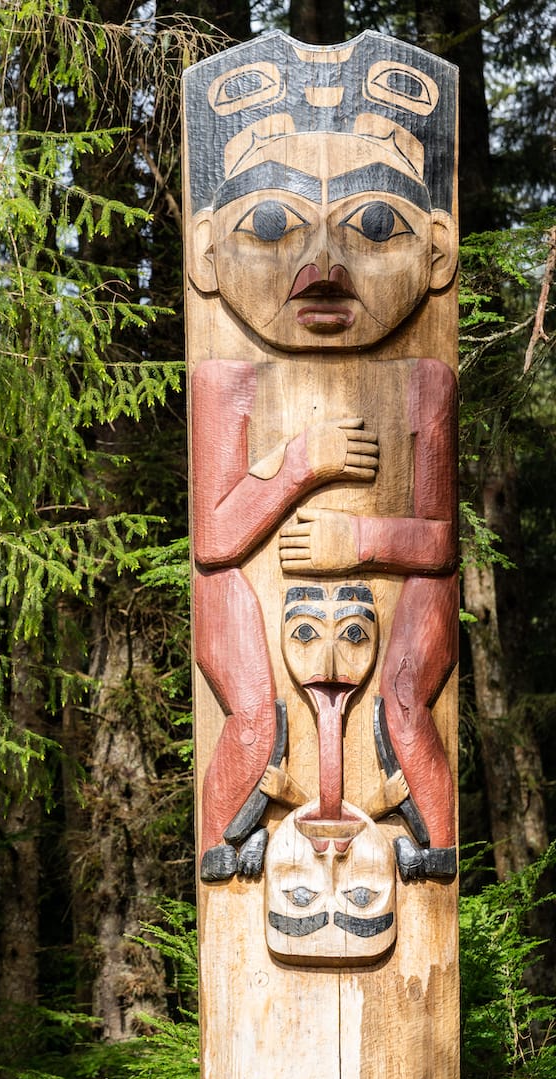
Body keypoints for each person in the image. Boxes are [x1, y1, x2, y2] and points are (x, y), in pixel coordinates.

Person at [189, 116, 458, 883]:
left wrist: (358, 540)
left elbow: (438, 542)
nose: (322, 267)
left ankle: (433, 850)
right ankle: (222, 844)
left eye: (375, 225)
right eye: (272, 224)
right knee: (252, 718)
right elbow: (212, 537)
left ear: (437, 250)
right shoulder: (225, 378)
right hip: (253, 594)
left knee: (404, 706)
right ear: (206, 253)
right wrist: (303, 462)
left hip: (388, 590)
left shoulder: (422, 380)